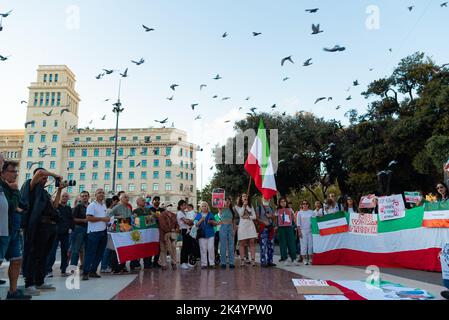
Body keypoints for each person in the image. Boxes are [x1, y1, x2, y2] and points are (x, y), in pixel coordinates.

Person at [21, 168, 66, 295]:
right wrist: (54, 175)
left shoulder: (44, 192)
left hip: (49, 226)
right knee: (33, 255)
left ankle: (39, 281)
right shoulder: (31, 185)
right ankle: (29, 283)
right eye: (44, 177)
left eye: (46, 178)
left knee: (44, 255)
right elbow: (40, 172)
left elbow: (55, 206)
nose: (45, 179)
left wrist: (60, 191)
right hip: (38, 226)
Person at [0, 158, 32, 299]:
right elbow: (12, 206)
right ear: (3, 173)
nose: (15, 174)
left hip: (14, 229)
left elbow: (22, 206)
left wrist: (15, 192)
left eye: (16, 171)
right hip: (3, 229)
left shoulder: (11, 187)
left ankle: (12, 292)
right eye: (12, 171)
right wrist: (14, 193)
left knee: (17, 259)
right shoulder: (3, 187)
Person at [82, 189, 110, 280]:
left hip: (103, 231)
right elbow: (89, 218)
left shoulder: (104, 205)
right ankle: (85, 272)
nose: (101, 194)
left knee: (100, 253)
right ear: (95, 195)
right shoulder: (92, 205)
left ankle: (93, 271)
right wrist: (102, 219)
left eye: (103, 193)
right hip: (94, 232)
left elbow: (105, 218)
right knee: (90, 253)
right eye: (99, 193)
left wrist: (108, 221)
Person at [46, 192, 73, 277]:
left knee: (65, 252)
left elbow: (71, 219)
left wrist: (71, 228)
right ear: (60, 197)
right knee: (52, 251)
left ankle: (64, 269)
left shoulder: (69, 208)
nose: (64, 198)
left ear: (68, 198)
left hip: (65, 233)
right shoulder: (56, 206)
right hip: (55, 232)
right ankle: (48, 270)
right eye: (63, 196)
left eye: (66, 196)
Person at [68, 191, 89, 271]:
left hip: (88, 230)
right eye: (83, 196)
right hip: (78, 229)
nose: (84, 197)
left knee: (86, 250)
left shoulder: (91, 206)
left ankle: (85, 267)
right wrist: (83, 220)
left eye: (86, 196)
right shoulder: (78, 207)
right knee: (75, 250)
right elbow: (72, 219)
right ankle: (73, 268)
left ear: (88, 197)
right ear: (80, 197)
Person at [235, 194, 258, 267]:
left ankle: (253, 260)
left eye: (246, 196)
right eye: (243, 196)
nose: (245, 197)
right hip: (242, 227)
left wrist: (248, 216)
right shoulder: (237, 207)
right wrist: (244, 206)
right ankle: (242, 260)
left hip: (250, 226)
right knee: (242, 243)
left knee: (252, 242)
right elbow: (241, 214)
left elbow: (254, 216)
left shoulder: (251, 206)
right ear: (241, 198)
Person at [276, 197, 299, 266]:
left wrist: (295, 222)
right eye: (281, 202)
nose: (283, 203)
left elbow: (293, 218)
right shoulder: (277, 210)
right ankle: (285, 259)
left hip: (289, 227)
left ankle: (293, 259)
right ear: (279, 203)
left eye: (284, 201)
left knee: (291, 242)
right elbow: (275, 219)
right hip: (281, 228)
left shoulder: (290, 209)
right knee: (283, 243)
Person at [194, 201, 218, 269]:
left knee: (211, 248)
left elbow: (215, 223)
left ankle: (212, 263)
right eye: (202, 206)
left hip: (210, 233)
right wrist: (201, 220)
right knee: (203, 249)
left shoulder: (210, 214)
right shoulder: (198, 215)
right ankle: (204, 264)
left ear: (207, 207)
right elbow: (196, 224)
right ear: (200, 208)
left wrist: (212, 222)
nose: (204, 207)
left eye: (205, 206)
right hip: (201, 234)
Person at [158, 201, 179, 270]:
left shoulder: (173, 215)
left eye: (170, 205)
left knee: (173, 249)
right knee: (163, 249)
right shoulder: (162, 215)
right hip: (164, 235)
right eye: (168, 205)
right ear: (165, 207)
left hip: (172, 235)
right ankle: (163, 264)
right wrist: (171, 230)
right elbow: (163, 225)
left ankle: (174, 263)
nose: (169, 206)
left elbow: (176, 224)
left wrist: (176, 229)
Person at [256, 198, 276, 268]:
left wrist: (270, 216)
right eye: (264, 197)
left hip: (271, 228)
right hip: (263, 228)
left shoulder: (271, 208)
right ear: (262, 199)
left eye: (267, 198)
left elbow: (274, 217)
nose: (266, 199)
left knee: (271, 245)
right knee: (263, 246)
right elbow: (257, 218)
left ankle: (270, 261)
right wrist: (263, 221)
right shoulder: (259, 207)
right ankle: (263, 261)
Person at [218, 197, 236, 269]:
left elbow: (234, 221)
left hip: (230, 227)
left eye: (229, 201)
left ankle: (231, 262)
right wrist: (221, 199)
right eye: (226, 201)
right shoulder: (221, 209)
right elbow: (217, 203)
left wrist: (234, 230)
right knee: (223, 245)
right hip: (223, 228)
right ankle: (223, 262)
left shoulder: (232, 210)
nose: (228, 202)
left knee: (231, 246)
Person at [177, 200, 195, 270]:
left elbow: (189, 221)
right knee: (184, 247)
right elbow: (187, 222)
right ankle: (182, 263)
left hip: (188, 230)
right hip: (184, 230)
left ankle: (186, 262)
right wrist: (192, 221)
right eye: (184, 205)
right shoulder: (180, 213)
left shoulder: (185, 212)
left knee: (188, 246)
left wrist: (191, 221)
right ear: (181, 206)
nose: (185, 206)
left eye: (185, 205)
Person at [296, 200, 314, 265]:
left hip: (310, 231)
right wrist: (299, 232)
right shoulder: (299, 213)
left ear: (308, 205)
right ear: (302, 205)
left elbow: (314, 220)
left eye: (306, 204)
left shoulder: (311, 212)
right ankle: (304, 259)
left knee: (310, 245)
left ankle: (310, 259)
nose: (305, 205)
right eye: (303, 204)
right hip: (302, 231)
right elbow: (298, 224)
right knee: (303, 245)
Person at [147, 196, 163, 268]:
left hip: (160, 229)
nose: (157, 201)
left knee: (158, 246)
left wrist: (155, 215)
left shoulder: (162, 210)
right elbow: (149, 219)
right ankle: (149, 262)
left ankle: (156, 262)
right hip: (151, 230)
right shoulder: (149, 209)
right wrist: (156, 216)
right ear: (152, 201)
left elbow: (162, 217)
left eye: (158, 200)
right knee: (151, 245)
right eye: (155, 200)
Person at [100, 198, 115, 274]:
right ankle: (104, 266)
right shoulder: (110, 211)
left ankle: (106, 266)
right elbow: (110, 221)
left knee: (107, 249)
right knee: (107, 249)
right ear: (111, 203)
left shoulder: (106, 210)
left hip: (107, 231)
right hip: (109, 231)